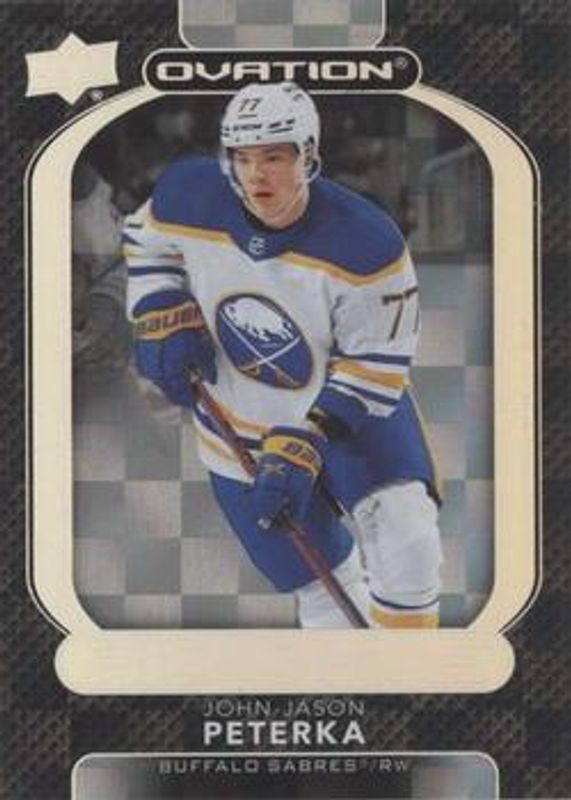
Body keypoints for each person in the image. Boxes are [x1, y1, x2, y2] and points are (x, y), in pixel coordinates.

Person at [124, 82, 442, 629]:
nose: (255, 175)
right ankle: (351, 676)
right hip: (238, 425)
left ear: (308, 156)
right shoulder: (188, 193)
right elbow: (148, 243)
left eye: (273, 157)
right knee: (322, 595)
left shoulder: (368, 241)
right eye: (242, 158)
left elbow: (377, 361)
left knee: (408, 545)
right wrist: (161, 302)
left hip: (349, 419)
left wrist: (312, 434)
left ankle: (413, 672)